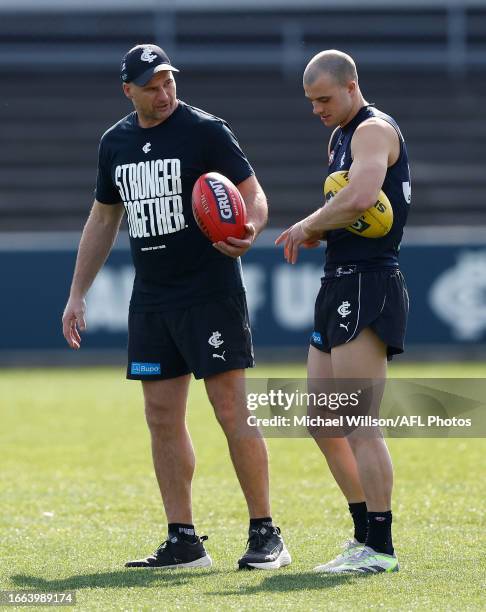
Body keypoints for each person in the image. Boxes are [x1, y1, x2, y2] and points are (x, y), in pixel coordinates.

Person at [62, 43, 290, 571]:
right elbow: (102, 219)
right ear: (128, 91)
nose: (163, 93)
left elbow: (252, 193)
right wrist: (77, 293)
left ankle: (266, 532)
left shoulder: (206, 130)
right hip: (152, 298)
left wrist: (250, 227)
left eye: (168, 82)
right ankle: (184, 540)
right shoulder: (114, 143)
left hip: (210, 290)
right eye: (151, 85)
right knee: (161, 416)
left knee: (231, 408)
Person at [276, 49, 410, 574]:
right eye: (311, 102)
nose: (317, 109)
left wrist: (309, 224)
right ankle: (362, 535)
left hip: (370, 281)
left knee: (358, 421)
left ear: (352, 86)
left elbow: (361, 195)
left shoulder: (373, 130)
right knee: (322, 421)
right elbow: (350, 211)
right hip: (338, 280)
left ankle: (381, 547)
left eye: (324, 99)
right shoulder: (338, 136)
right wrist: (324, 232)